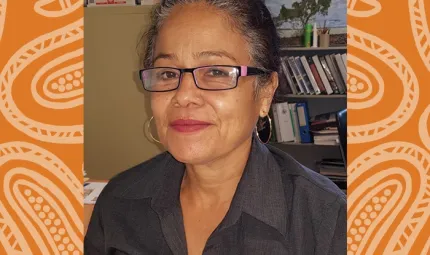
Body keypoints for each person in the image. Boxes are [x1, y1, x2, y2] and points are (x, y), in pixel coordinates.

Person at [84, 0, 346, 254]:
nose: (183, 96)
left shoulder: (326, 219)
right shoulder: (119, 201)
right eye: (167, 73)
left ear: (265, 92)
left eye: (217, 72)